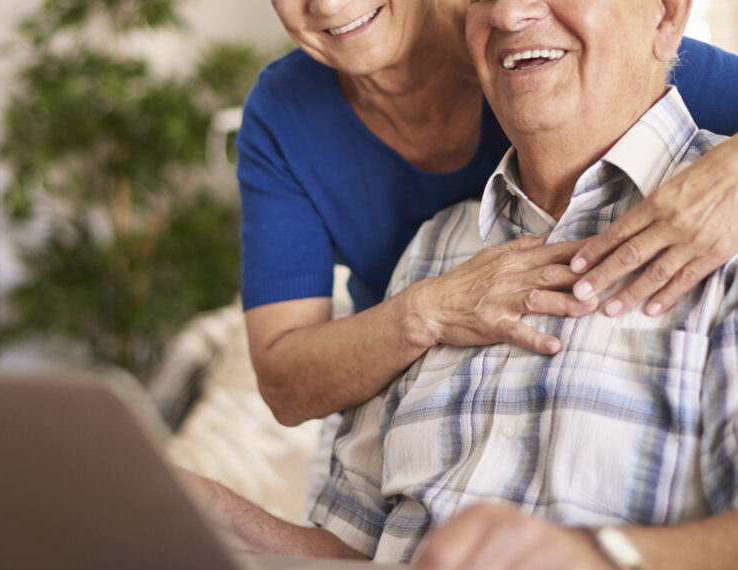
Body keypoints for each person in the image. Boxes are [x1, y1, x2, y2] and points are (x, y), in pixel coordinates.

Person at [194, 0, 738, 567]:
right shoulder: (430, 250)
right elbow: (351, 550)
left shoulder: (720, 226)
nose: (509, 13)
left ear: (666, 15)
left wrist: (599, 556)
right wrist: (219, 518)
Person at [239, 0, 738, 429]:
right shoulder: (283, 111)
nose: (328, 5)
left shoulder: (559, 43)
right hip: (403, 409)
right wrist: (427, 312)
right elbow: (284, 382)